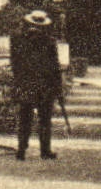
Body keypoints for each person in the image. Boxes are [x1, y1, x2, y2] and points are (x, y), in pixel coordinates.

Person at [11, 9, 63, 160]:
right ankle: (44, 150)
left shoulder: (18, 40)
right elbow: (55, 67)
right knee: (44, 119)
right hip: (44, 85)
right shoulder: (49, 41)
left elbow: (15, 64)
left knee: (25, 119)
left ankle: (22, 149)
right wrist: (58, 88)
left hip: (27, 84)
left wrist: (18, 82)